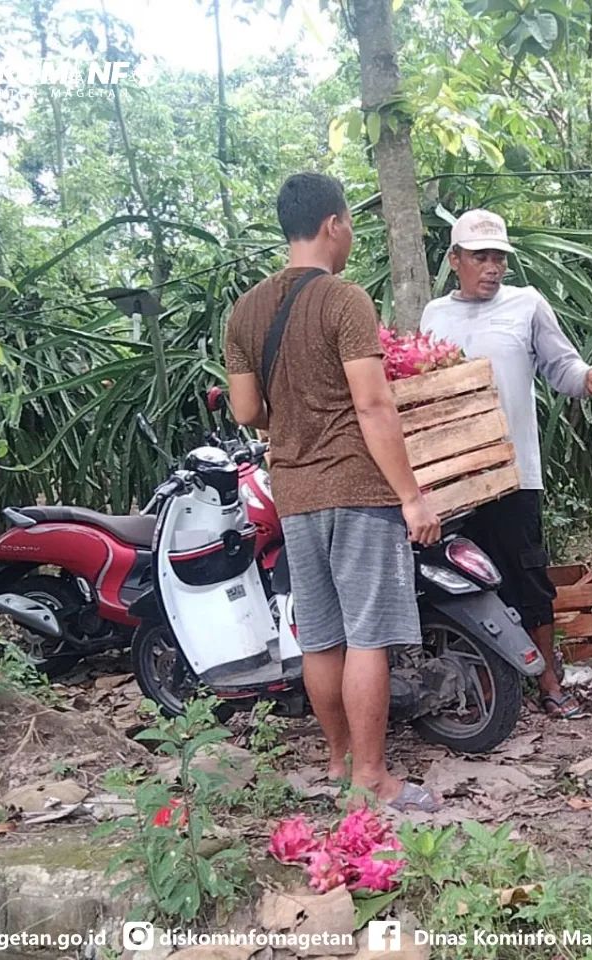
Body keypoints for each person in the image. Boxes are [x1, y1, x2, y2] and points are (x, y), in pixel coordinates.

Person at [224, 172, 442, 811]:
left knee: (322, 636)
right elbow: (372, 404)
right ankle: (372, 779)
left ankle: (339, 759)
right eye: (349, 224)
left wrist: (294, 420)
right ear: (333, 224)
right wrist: (411, 497)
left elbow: (245, 411)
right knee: (368, 635)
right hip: (357, 488)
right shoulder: (345, 300)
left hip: (294, 493)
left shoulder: (245, 311)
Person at [420, 209, 592, 719]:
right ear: (454, 260)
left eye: (499, 257)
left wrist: (588, 377)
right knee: (459, 578)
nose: (493, 267)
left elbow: (560, 365)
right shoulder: (434, 315)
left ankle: (548, 681)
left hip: (513, 474)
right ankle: (486, 686)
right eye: (480, 257)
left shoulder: (527, 304)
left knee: (528, 576)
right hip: (451, 480)